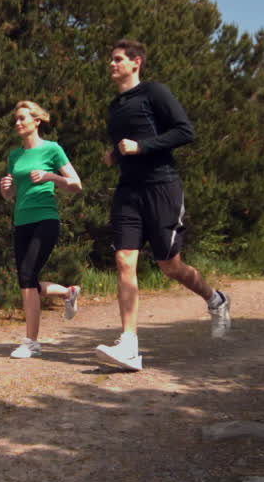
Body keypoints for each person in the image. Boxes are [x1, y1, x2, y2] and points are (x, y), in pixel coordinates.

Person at [94, 39, 230, 371]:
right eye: (111, 60)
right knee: (124, 260)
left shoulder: (154, 92)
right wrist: (115, 155)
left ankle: (216, 299)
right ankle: (129, 343)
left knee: (170, 265)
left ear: (136, 62)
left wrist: (141, 147)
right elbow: (125, 145)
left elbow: (185, 132)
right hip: (128, 190)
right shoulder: (115, 106)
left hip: (161, 187)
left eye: (118, 59)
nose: (112, 64)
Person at [0, 100, 84, 359]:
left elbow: (76, 184)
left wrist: (51, 177)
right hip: (21, 221)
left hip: (45, 219)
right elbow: (13, 194)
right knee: (27, 280)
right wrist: (6, 190)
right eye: (16, 119)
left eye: (22, 118)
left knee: (27, 275)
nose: (17, 123)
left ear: (37, 121)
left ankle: (32, 342)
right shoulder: (15, 155)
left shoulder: (52, 149)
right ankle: (68, 292)